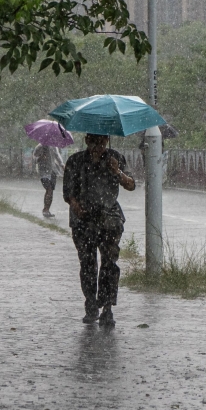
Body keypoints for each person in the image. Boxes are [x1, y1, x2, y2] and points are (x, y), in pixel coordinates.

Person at [62, 134, 136, 326]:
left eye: (103, 142)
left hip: (109, 220)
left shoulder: (115, 158)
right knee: (87, 263)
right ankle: (90, 304)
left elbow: (131, 185)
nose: (99, 146)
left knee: (109, 264)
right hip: (84, 222)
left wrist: (117, 171)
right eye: (95, 142)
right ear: (87, 141)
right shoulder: (75, 161)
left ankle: (107, 307)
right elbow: (68, 193)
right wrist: (78, 207)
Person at [32, 143, 64, 217]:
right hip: (43, 172)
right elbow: (34, 159)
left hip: (52, 171)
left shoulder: (54, 146)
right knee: (49, 189)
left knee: (50, 191)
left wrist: (62, 165)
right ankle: (45, 210)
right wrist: (41, 157)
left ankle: (47, 209)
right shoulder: (39, 147)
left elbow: (57, 155)